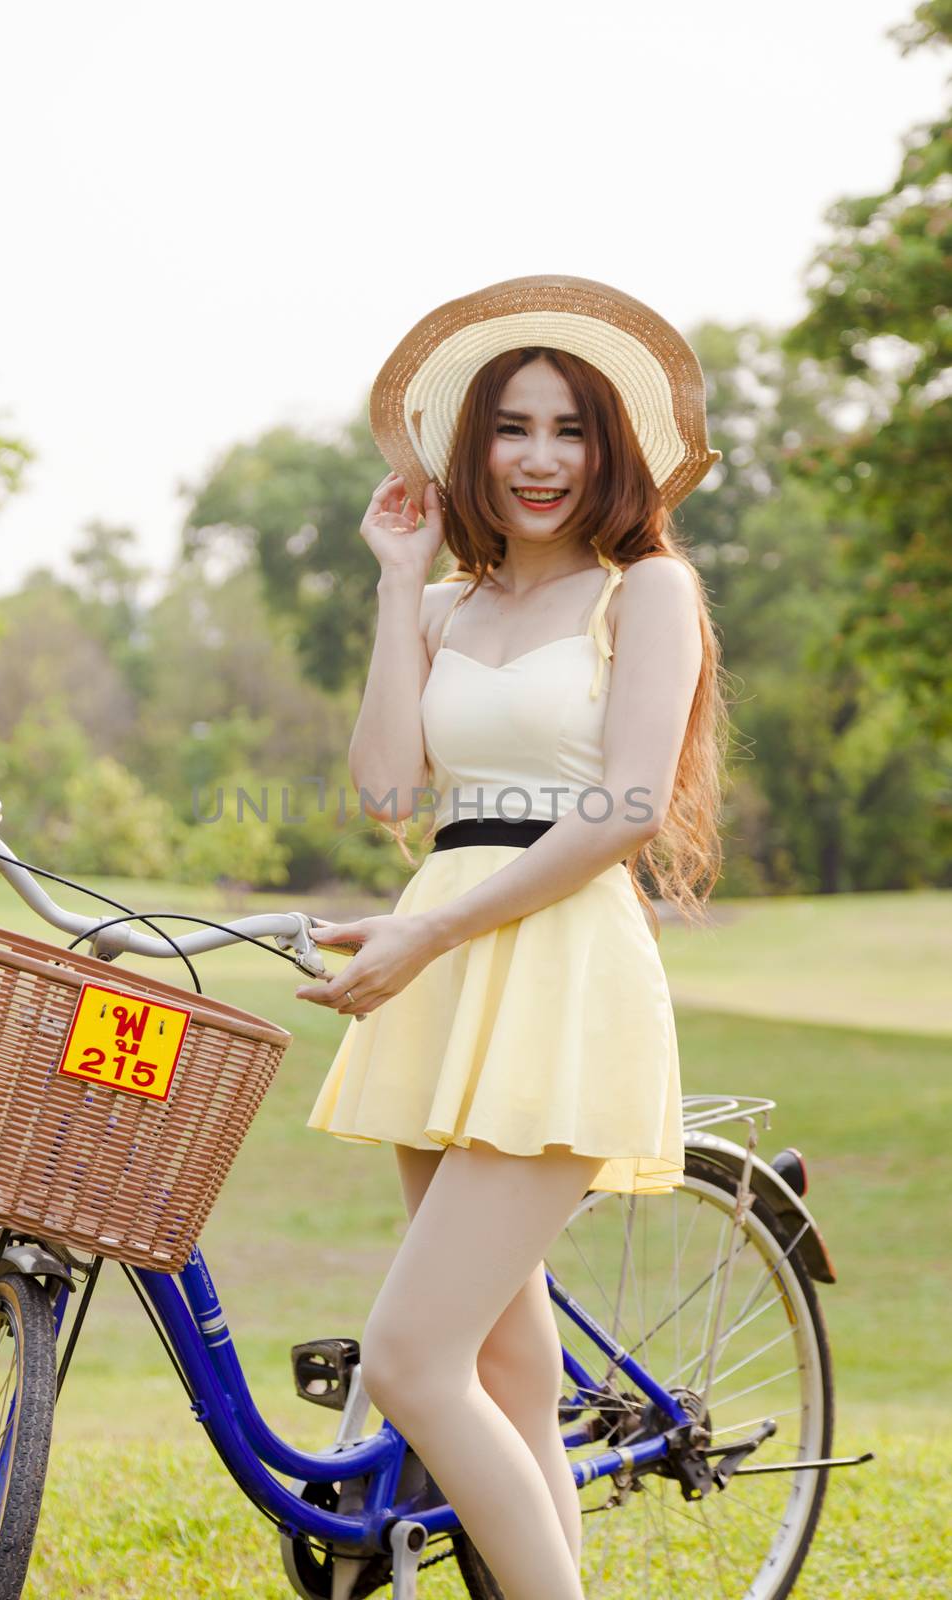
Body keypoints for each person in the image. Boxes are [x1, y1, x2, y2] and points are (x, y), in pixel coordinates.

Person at [295, 275, 728, 1600]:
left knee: (412, 1359)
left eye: (571, 430)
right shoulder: (445, 608)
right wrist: (397, 584)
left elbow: (625, 812)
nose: (541, 459)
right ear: (468, 448)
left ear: (614, 451)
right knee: (504, 1373)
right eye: (512, 428)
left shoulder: (641, 593)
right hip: (443, 959)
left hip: (556, 965)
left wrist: (431, 941)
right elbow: (384, 793)